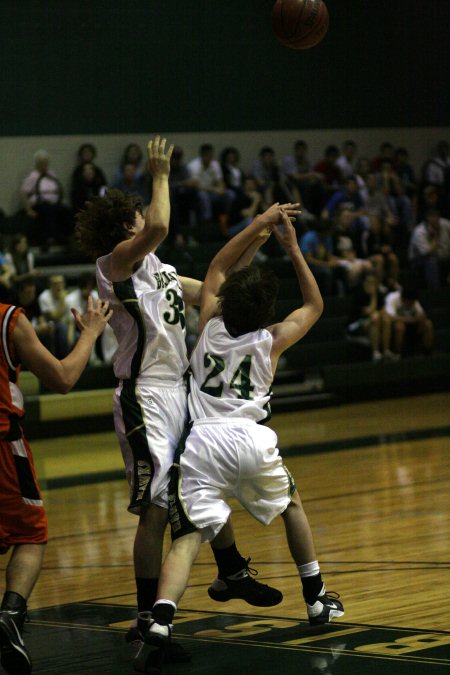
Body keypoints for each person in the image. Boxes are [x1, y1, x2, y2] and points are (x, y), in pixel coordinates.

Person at [74, 136, 282, 660]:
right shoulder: (114, 264)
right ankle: (147, 618)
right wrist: (160, 173)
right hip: (142, 397)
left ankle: (230, 571)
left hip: (180, 393)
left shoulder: (162, 271)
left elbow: (221, 286)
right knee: (157, 508)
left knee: (195, 488)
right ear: (128, 225)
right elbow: (162, 225)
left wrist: (260, 231)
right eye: (140, 213)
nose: (148, 218)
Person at [134, 204, 344, 674]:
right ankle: (316, 600)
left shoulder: (207, 324)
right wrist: (291, 248)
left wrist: (257, 223)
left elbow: (218, 267)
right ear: (267, 310)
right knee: (292, 507)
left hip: (204, 443)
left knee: (187, 539)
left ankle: (162, 621)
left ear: (225, 301)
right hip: (252, 438)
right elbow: (314, 305)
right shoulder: (272, 340)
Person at [0, 296, 111, 675]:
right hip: (3, 449)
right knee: (31, 535)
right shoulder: (9, 319)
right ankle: (11, 615)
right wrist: (91, 333)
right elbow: (62, 379)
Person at [346, 272, 395, 362]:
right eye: (368, 282)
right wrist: (373, 295)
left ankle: (386, 351)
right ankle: (375, 353)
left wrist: (380, 315)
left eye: (373, 282)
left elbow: (383, 311)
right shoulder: (360, 294)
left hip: (372, 321)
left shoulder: (379, 294)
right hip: (356, 325)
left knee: (386, 321)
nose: (371, 285)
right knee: (375, 319)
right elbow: (368, 312)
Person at [384, 285, 434, 357]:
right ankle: (397, 353)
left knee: (428, 324)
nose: (411, 304)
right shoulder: (392, 298)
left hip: (412, 326)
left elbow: (422, 315)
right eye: (409, 303)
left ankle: (427, 352)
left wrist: (418, 319)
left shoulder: (413, 301)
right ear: (403, 299)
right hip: (394, 328)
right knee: (399, 327)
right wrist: (411, 319)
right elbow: (391, 317)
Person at [408, 208, 450, 290]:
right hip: (419, 260)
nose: (436, 224)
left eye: (437, 221)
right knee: (432, 261)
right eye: (432, 223)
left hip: (443, 257)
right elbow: (429, 253)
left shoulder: (445, 224)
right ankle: (435, 291)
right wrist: (435, 237)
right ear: (427, 222)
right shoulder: (419, 232)